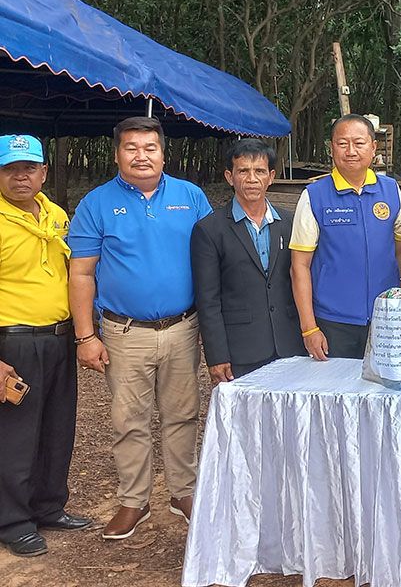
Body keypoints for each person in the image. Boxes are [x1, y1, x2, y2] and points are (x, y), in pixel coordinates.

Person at [68, 117, 212, 540]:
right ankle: (134, 500)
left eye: (150, 147)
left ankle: (183, 491)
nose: (141, 155)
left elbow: (210, 262)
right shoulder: (96, 203)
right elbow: (81, 274)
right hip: (123, 332)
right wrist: (85, 336)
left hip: (184, 327)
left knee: (183, 414)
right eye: (131, 147)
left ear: (163, 152)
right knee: (129, 418)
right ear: (117, 154)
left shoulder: (191, 197)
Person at [0, 135, 91, 557]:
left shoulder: (55, 214)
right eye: (10, 169)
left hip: (58, 337)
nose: (21, 176)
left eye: (29, 167)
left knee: (57, 428)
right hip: (13, 343)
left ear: (44, 172)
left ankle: (49, 505)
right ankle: (13, 520)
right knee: (16, 436)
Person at [290, 114, 401, 360]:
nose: (351, 151)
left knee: (383, 394)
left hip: (386, 319)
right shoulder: (314, 196)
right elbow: (299, 266)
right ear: (331, 148)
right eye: (342, 143)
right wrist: (309, 327)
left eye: (359, 143)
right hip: (333, 322)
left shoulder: (391, 191)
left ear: (373, 148)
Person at [191, 139, 304, 382]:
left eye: (259, 171)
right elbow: (207, 299)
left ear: (271, 176)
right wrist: (216, 354)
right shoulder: (210, 229)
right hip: (240, 350)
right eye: (243, 171)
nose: (252, 179)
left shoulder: (290, 223)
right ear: (229, 177)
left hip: (289, 344)